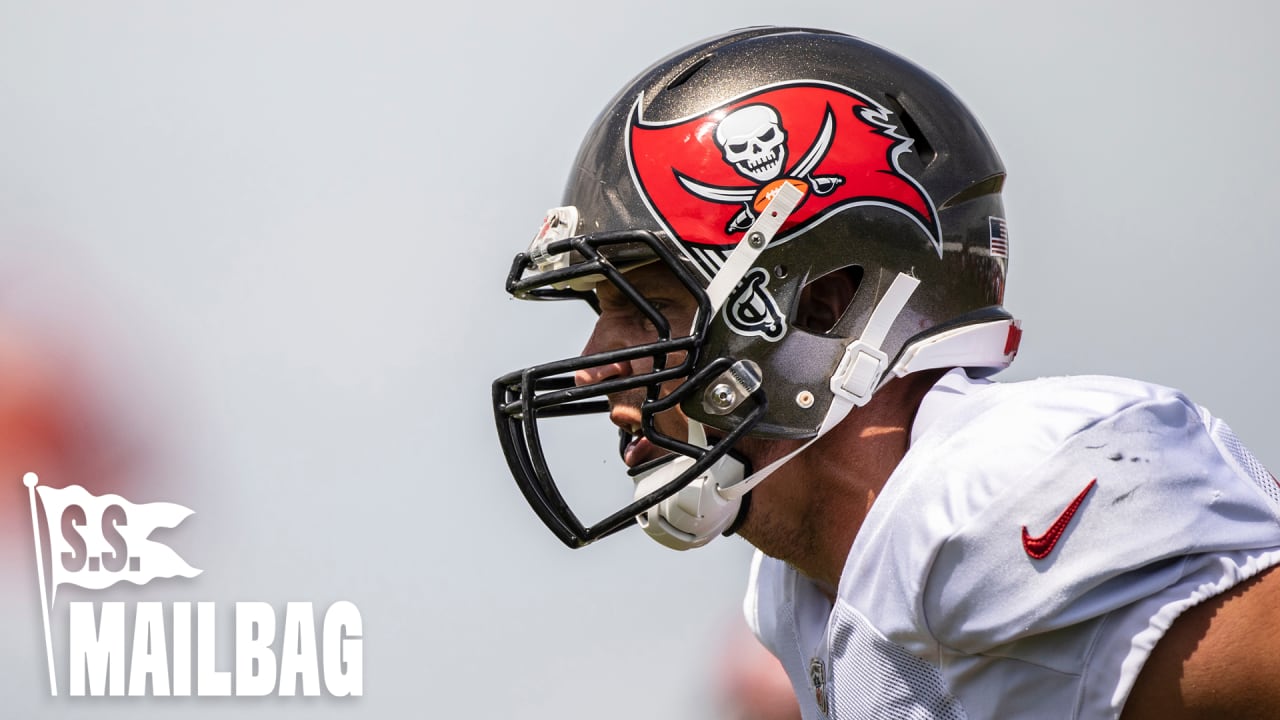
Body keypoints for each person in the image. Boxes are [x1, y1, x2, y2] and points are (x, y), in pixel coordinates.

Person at [491, 26, 1280, 719]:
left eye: (644, 303)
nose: (594, 366)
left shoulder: (991, 494)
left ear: (825, 308)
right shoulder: (794, 589)